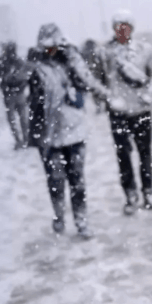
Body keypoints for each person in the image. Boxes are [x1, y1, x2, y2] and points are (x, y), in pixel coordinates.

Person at [28, 23, 110, 239]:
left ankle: (81, 221)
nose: (51, 51)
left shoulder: (70, 63)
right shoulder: (35, 66)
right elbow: (32, 95)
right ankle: (59, 216)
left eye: (54, 46)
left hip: (74, 131)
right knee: (55, 180)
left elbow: (87, 80)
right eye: (46, 47)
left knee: (77, 181)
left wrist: (72, 55)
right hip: (49, 134)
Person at [98, 9, 152, 215]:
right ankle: (130, 194)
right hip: (118, 113)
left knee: (145, 153)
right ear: (113, 28)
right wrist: (108, 97)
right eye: (118, 26)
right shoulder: (105, 53)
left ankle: (148, 191)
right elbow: (97, 79)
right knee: (123, 155)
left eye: (126, 25)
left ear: (132, 28)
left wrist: (150, 91)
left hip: (141, 110)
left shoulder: (145, 49)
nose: (122, 30)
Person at [0, 41, 32, 149]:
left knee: (11, 119)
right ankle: (26, 139)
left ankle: (18, 140)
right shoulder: (20, 62)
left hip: (8, 94)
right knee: (23, 117)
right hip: (20, 93)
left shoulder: (2, 61)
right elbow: (27, 75)